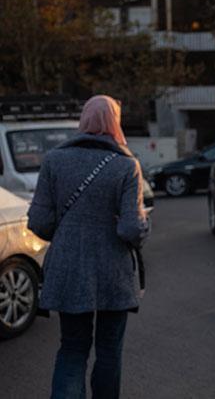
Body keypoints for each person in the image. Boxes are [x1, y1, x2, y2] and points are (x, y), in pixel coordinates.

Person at [28, 95, 150, 399]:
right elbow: (131, 228)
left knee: (72, 348)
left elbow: (39, 223)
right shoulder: (126, 164)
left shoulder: (54, 160)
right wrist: (142, 226)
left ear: (84, 120)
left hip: (68, 270)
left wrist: (68, 230)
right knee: (109, 350)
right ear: (115, 122)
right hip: (113, 273)